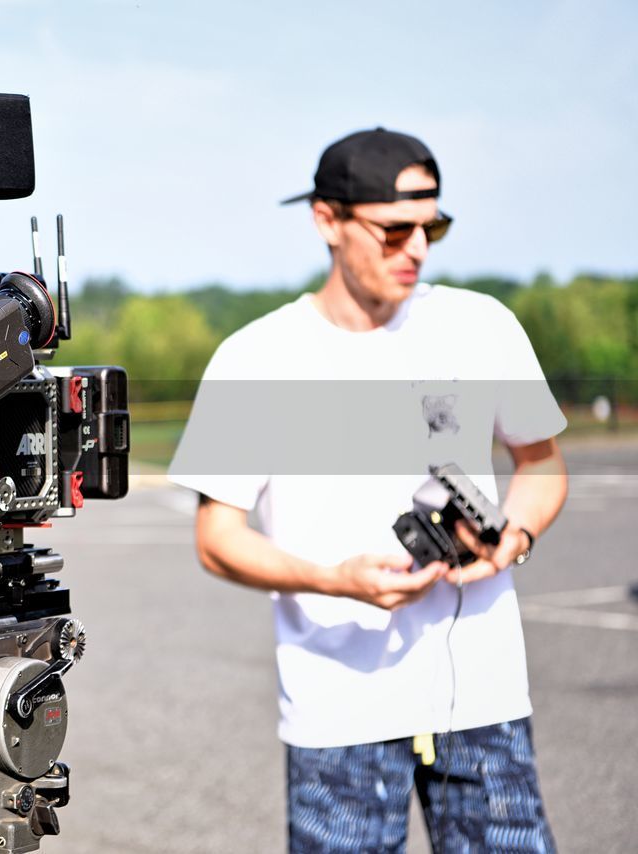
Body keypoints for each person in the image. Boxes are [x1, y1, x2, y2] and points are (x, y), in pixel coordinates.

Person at [167, 128, 568, 852]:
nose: (416, 248)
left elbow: (542, 467)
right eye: (393, 230)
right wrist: (334, 580)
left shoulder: (483, 326)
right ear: (328, 219)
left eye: (432, 228)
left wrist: (515, 536)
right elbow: (216, 540)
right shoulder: (256, 358)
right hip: (337, 706)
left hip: (484, 697)